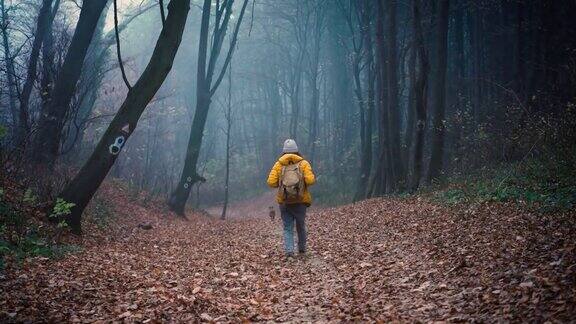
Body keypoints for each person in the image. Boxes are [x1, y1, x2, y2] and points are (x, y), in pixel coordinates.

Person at [267, 139, 316, 258]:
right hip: (300, 201)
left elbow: (271, 182)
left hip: (285, 202)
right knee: (301, 225)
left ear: (283, 151)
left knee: (287, 227)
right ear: (297, 150)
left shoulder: (278, 164)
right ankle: (302, 249)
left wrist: (283, 183)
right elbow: (310, 180)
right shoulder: (303, 163)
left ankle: (289, 251)